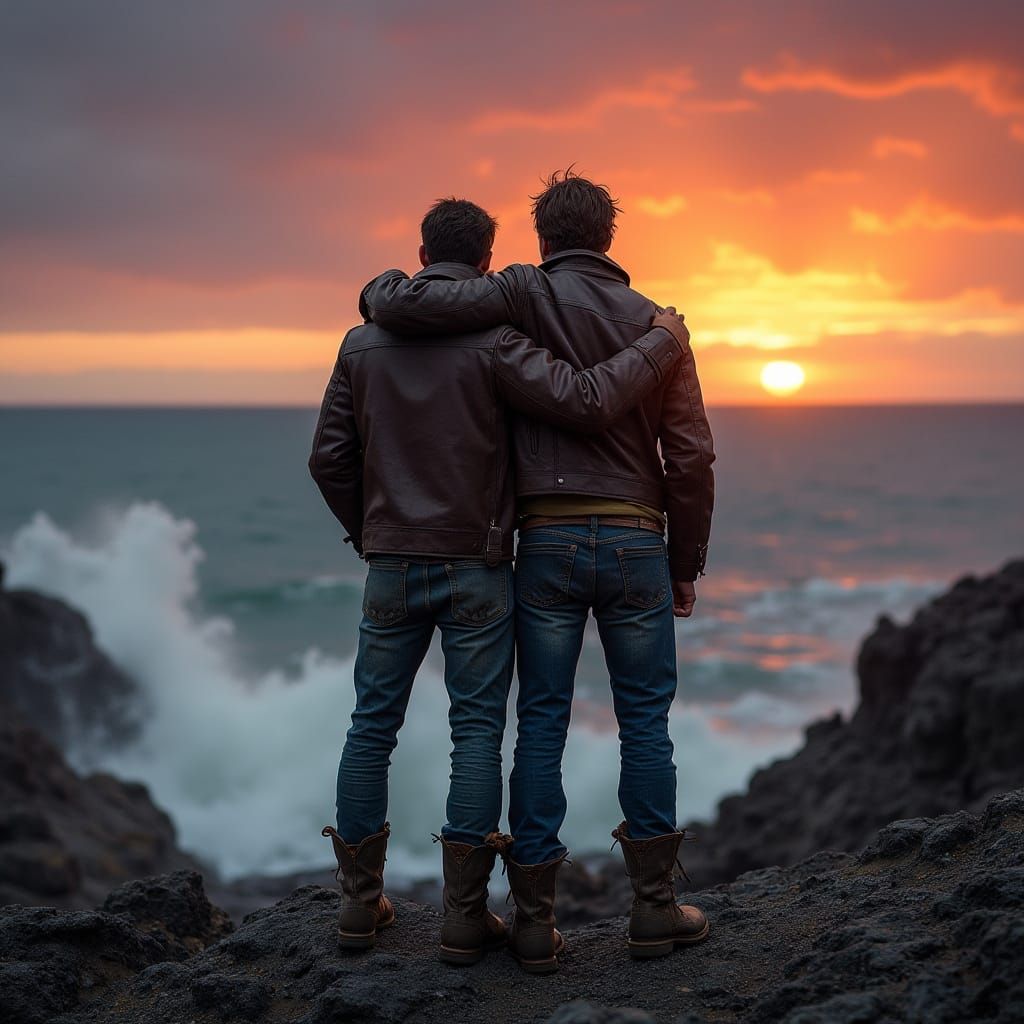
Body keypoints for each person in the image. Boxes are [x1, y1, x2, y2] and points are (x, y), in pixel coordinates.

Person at [309, 197, 691, 966]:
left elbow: (329, 459)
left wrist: (370, 532)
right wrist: (661, 344)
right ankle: (468, 917)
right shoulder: (502, 343)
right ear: (487, 259)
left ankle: (363, 906)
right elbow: (605, 414)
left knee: (373, 724)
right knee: (485, 730)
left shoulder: (362, 344)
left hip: (412, 559)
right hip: (491, 563)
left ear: (423, 253)